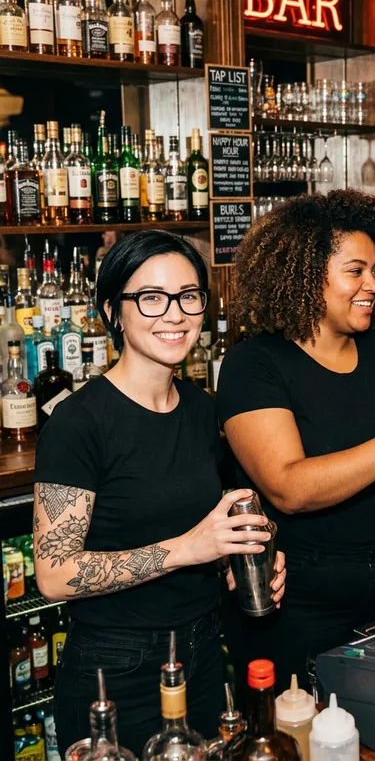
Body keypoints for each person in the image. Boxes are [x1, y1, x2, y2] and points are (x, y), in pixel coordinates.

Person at [33, 231, 287, 755]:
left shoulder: (201, 409)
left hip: (203, 652)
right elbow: (54, 574)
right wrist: (188, 548)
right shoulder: (78, 423)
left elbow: (203, 528)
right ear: (112, 311)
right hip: (115, 670)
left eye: (188, 296)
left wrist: (237, 566)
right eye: (151, 297)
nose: (174, 314)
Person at [215, 190, 375, 693]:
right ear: (308, 274)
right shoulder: (254, 365)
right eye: (356, 271)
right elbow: (288, 486)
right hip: (298, 603)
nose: (374, 284)